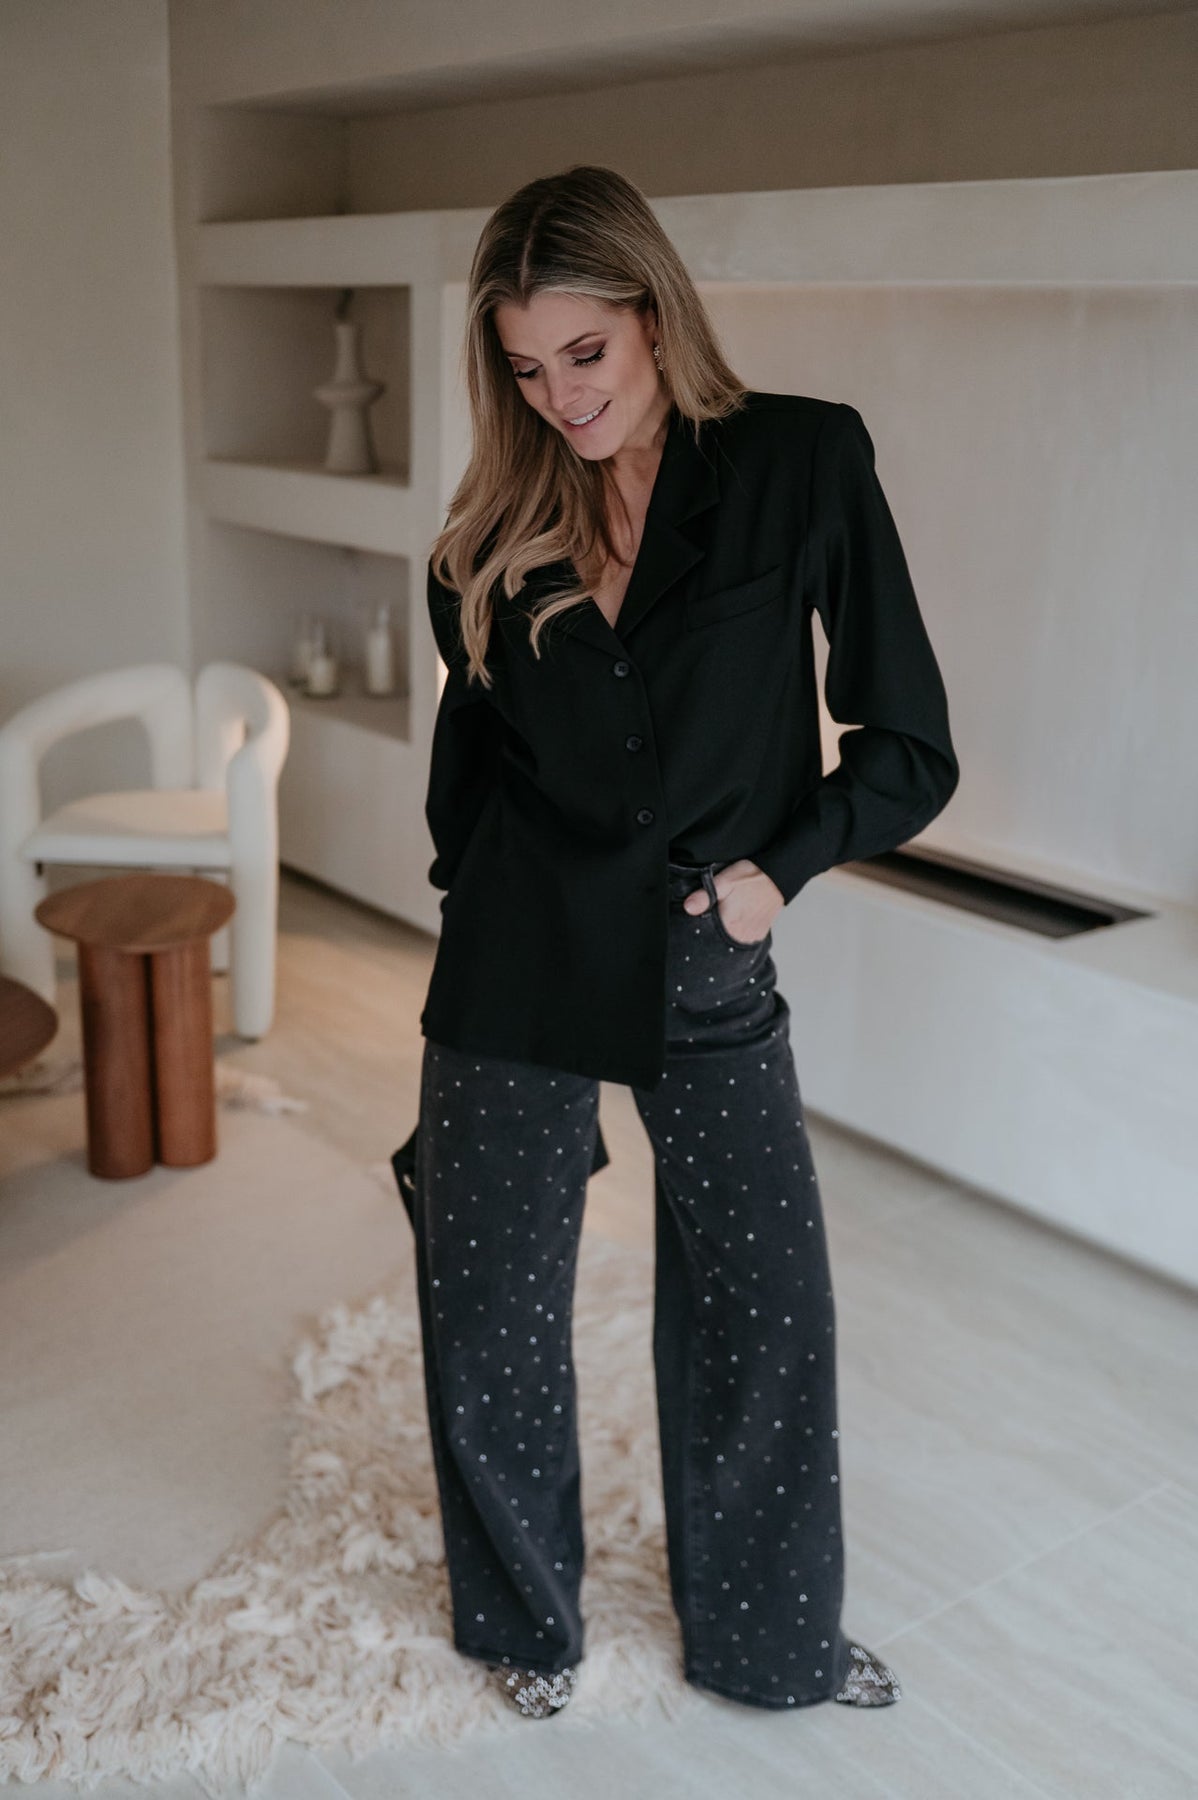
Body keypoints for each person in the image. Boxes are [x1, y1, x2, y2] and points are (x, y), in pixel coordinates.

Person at [393, 164, 959, 1721]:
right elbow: (469, 791)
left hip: (709, 947)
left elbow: (907, 745)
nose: (560, 396)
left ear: (654, 312)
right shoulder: (483, 544)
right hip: (519, 951)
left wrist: (780, 872)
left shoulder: (799, 461)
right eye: (525, 367)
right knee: (491, 1305)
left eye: (584, 351)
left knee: (763, 1308)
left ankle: (770, 1645)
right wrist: (472, 961)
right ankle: (525, 1627)